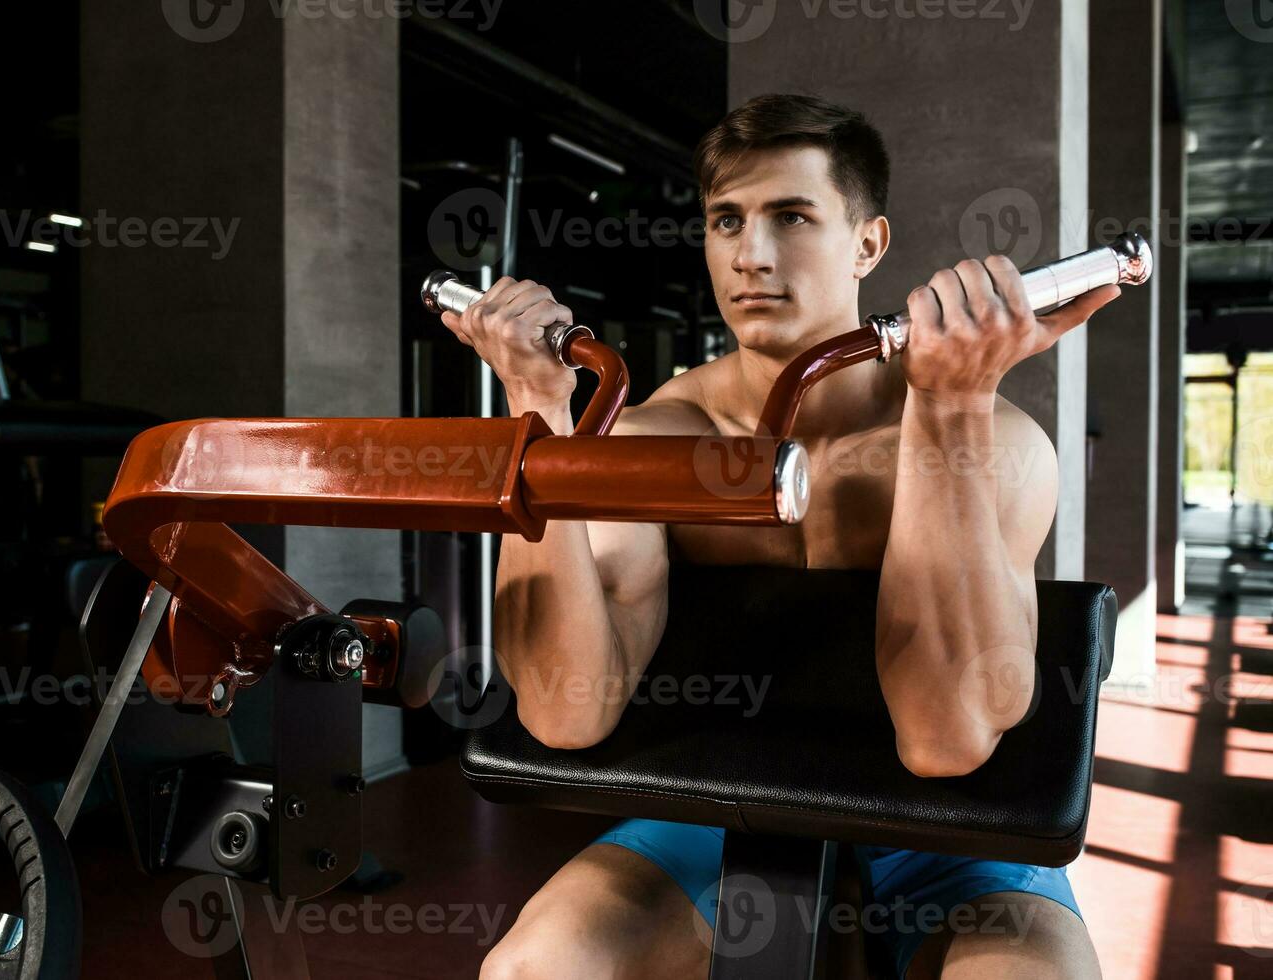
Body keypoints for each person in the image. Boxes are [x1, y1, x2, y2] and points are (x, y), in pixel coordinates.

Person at [441, 93, 1117, 980]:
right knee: (534, 969)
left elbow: (945, 740)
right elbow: (568, 713)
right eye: (728, 220)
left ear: (868, 244)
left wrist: (949, 407)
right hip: (716, 824)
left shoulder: (1002, 447)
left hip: (956, 836)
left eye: (792, 217)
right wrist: (541, 413)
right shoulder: (653, 441)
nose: (752, 256)